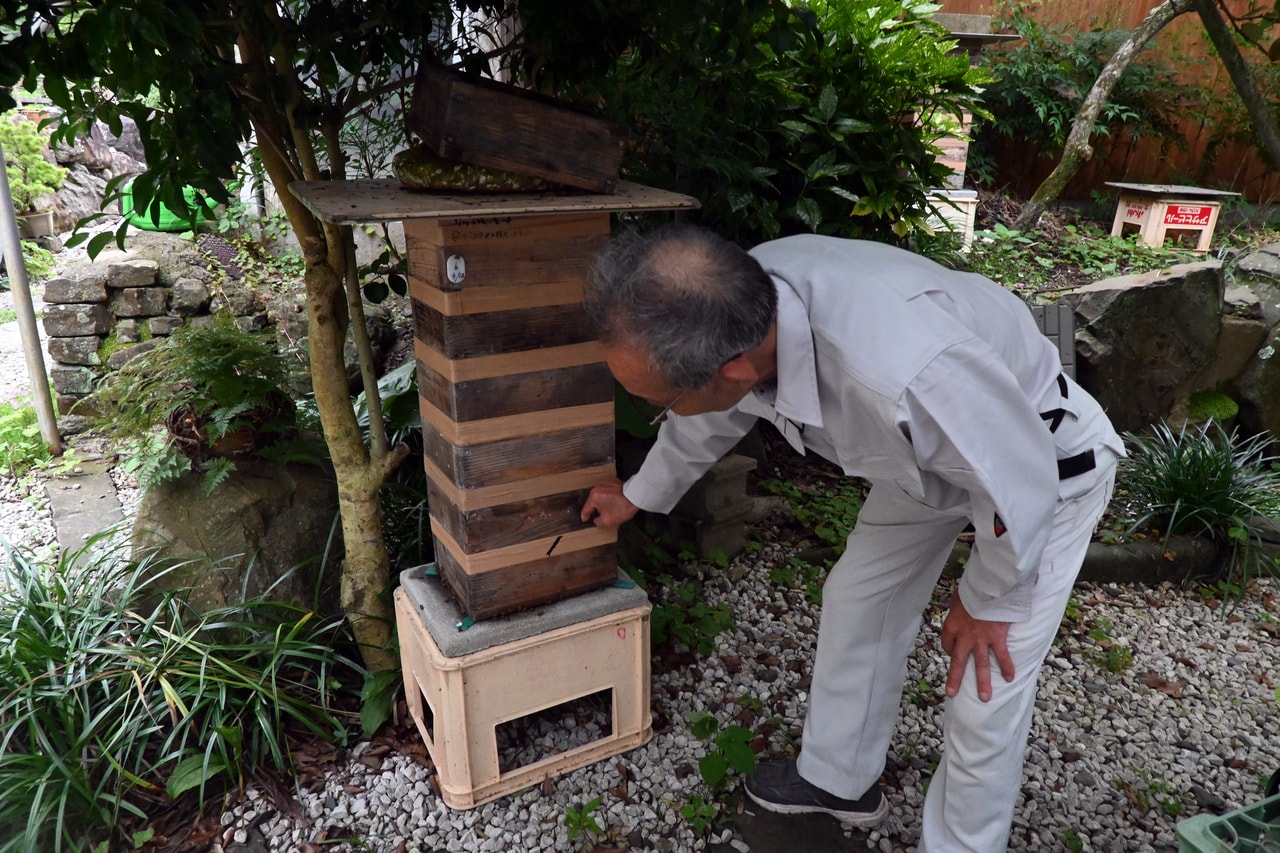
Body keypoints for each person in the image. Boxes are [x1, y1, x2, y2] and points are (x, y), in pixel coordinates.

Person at [578, 224, 1124, 851]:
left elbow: (1017, 482)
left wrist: (988, 601)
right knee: (858, 597)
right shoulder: (738, 306)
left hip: (1045, 473)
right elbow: (710, 414)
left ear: (731, 369)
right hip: (923, 462)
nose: (663, 411)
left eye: (658, 401)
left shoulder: (909, 370)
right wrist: (638, 492)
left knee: (983, 682)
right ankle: (839, 779)